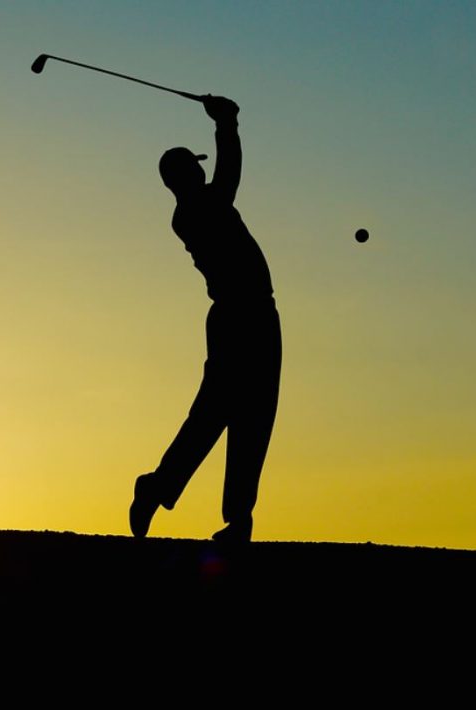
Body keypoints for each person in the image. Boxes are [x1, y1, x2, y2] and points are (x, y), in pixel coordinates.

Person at [129, 95, 282, 544]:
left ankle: (235, 519)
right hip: (241, 317)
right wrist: (226, 123)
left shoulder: (197, 207)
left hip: (252, 314)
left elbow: (225, 178)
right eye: (194, 167)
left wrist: (227, 123)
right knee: (220, 413)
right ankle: (161, 487)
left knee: (251, 416)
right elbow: (230, 173)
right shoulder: (198, 210)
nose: (202, 170)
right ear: (185, 176)